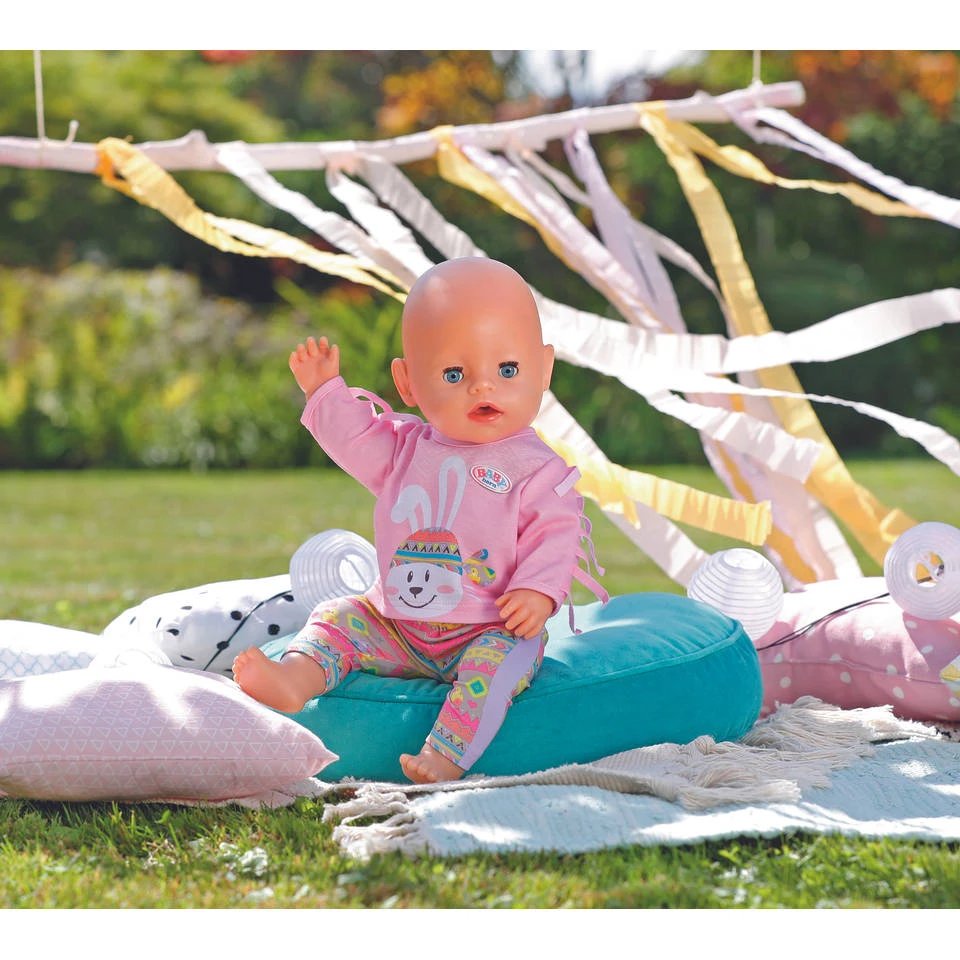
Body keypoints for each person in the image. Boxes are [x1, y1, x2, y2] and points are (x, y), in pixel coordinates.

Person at [233, 257, 605, 782]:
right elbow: (354, 439)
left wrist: (538, 592)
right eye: (454, 374)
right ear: (407, 383)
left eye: (507, 370)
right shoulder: (404, 448)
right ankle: (297, 677)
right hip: (395, 624)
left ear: (543, 370)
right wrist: (324, 391)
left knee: (496, 666)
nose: (483, 387)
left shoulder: (538, 469)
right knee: (339, 616)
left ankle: (446, 754)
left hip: (489, 627)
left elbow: (556, 534)